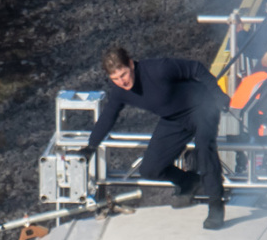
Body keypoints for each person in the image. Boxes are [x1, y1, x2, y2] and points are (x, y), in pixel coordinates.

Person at [76, 46, 231, 230]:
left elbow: (196, 68)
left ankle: (216, 205)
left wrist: (218, 95)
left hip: (201, 107)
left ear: (131, 65)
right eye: (115, 78)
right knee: (150, 169)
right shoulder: (119, 91)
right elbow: (109, 116)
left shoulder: (158, 69)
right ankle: (189, 182)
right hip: (173, 119)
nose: (122, 81)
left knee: (204, 149)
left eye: (123, 74)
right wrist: (91, 146)